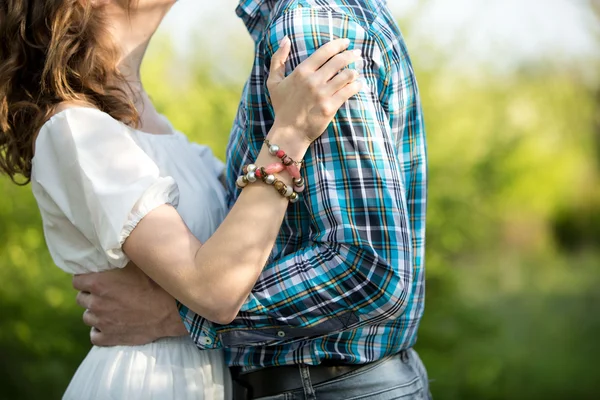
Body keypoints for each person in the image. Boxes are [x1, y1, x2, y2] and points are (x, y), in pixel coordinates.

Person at [0, 0, 363, 399]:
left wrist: (168, 314)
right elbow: (215, 291)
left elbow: (257, 252)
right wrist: (290, 132)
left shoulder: (162, 133)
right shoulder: (75, 131)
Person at [73, 0, 430, 399]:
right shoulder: (312, 19)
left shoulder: (309, 25)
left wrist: (177, 317)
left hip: (328, 385)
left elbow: (367, 271)